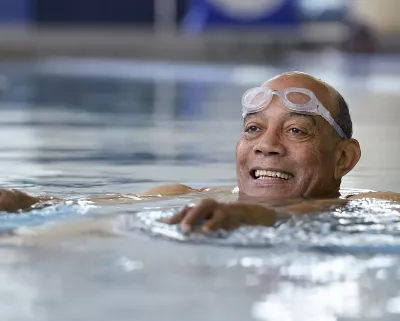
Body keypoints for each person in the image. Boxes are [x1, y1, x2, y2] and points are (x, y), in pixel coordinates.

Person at [1, 72, 399, 232]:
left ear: (344, 159)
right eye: (253, 129)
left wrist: (253, 216)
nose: (266, 145)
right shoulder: (180, 198)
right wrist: (23, 202)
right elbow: (78, 206)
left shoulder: (378, 208)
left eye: (296, 130)